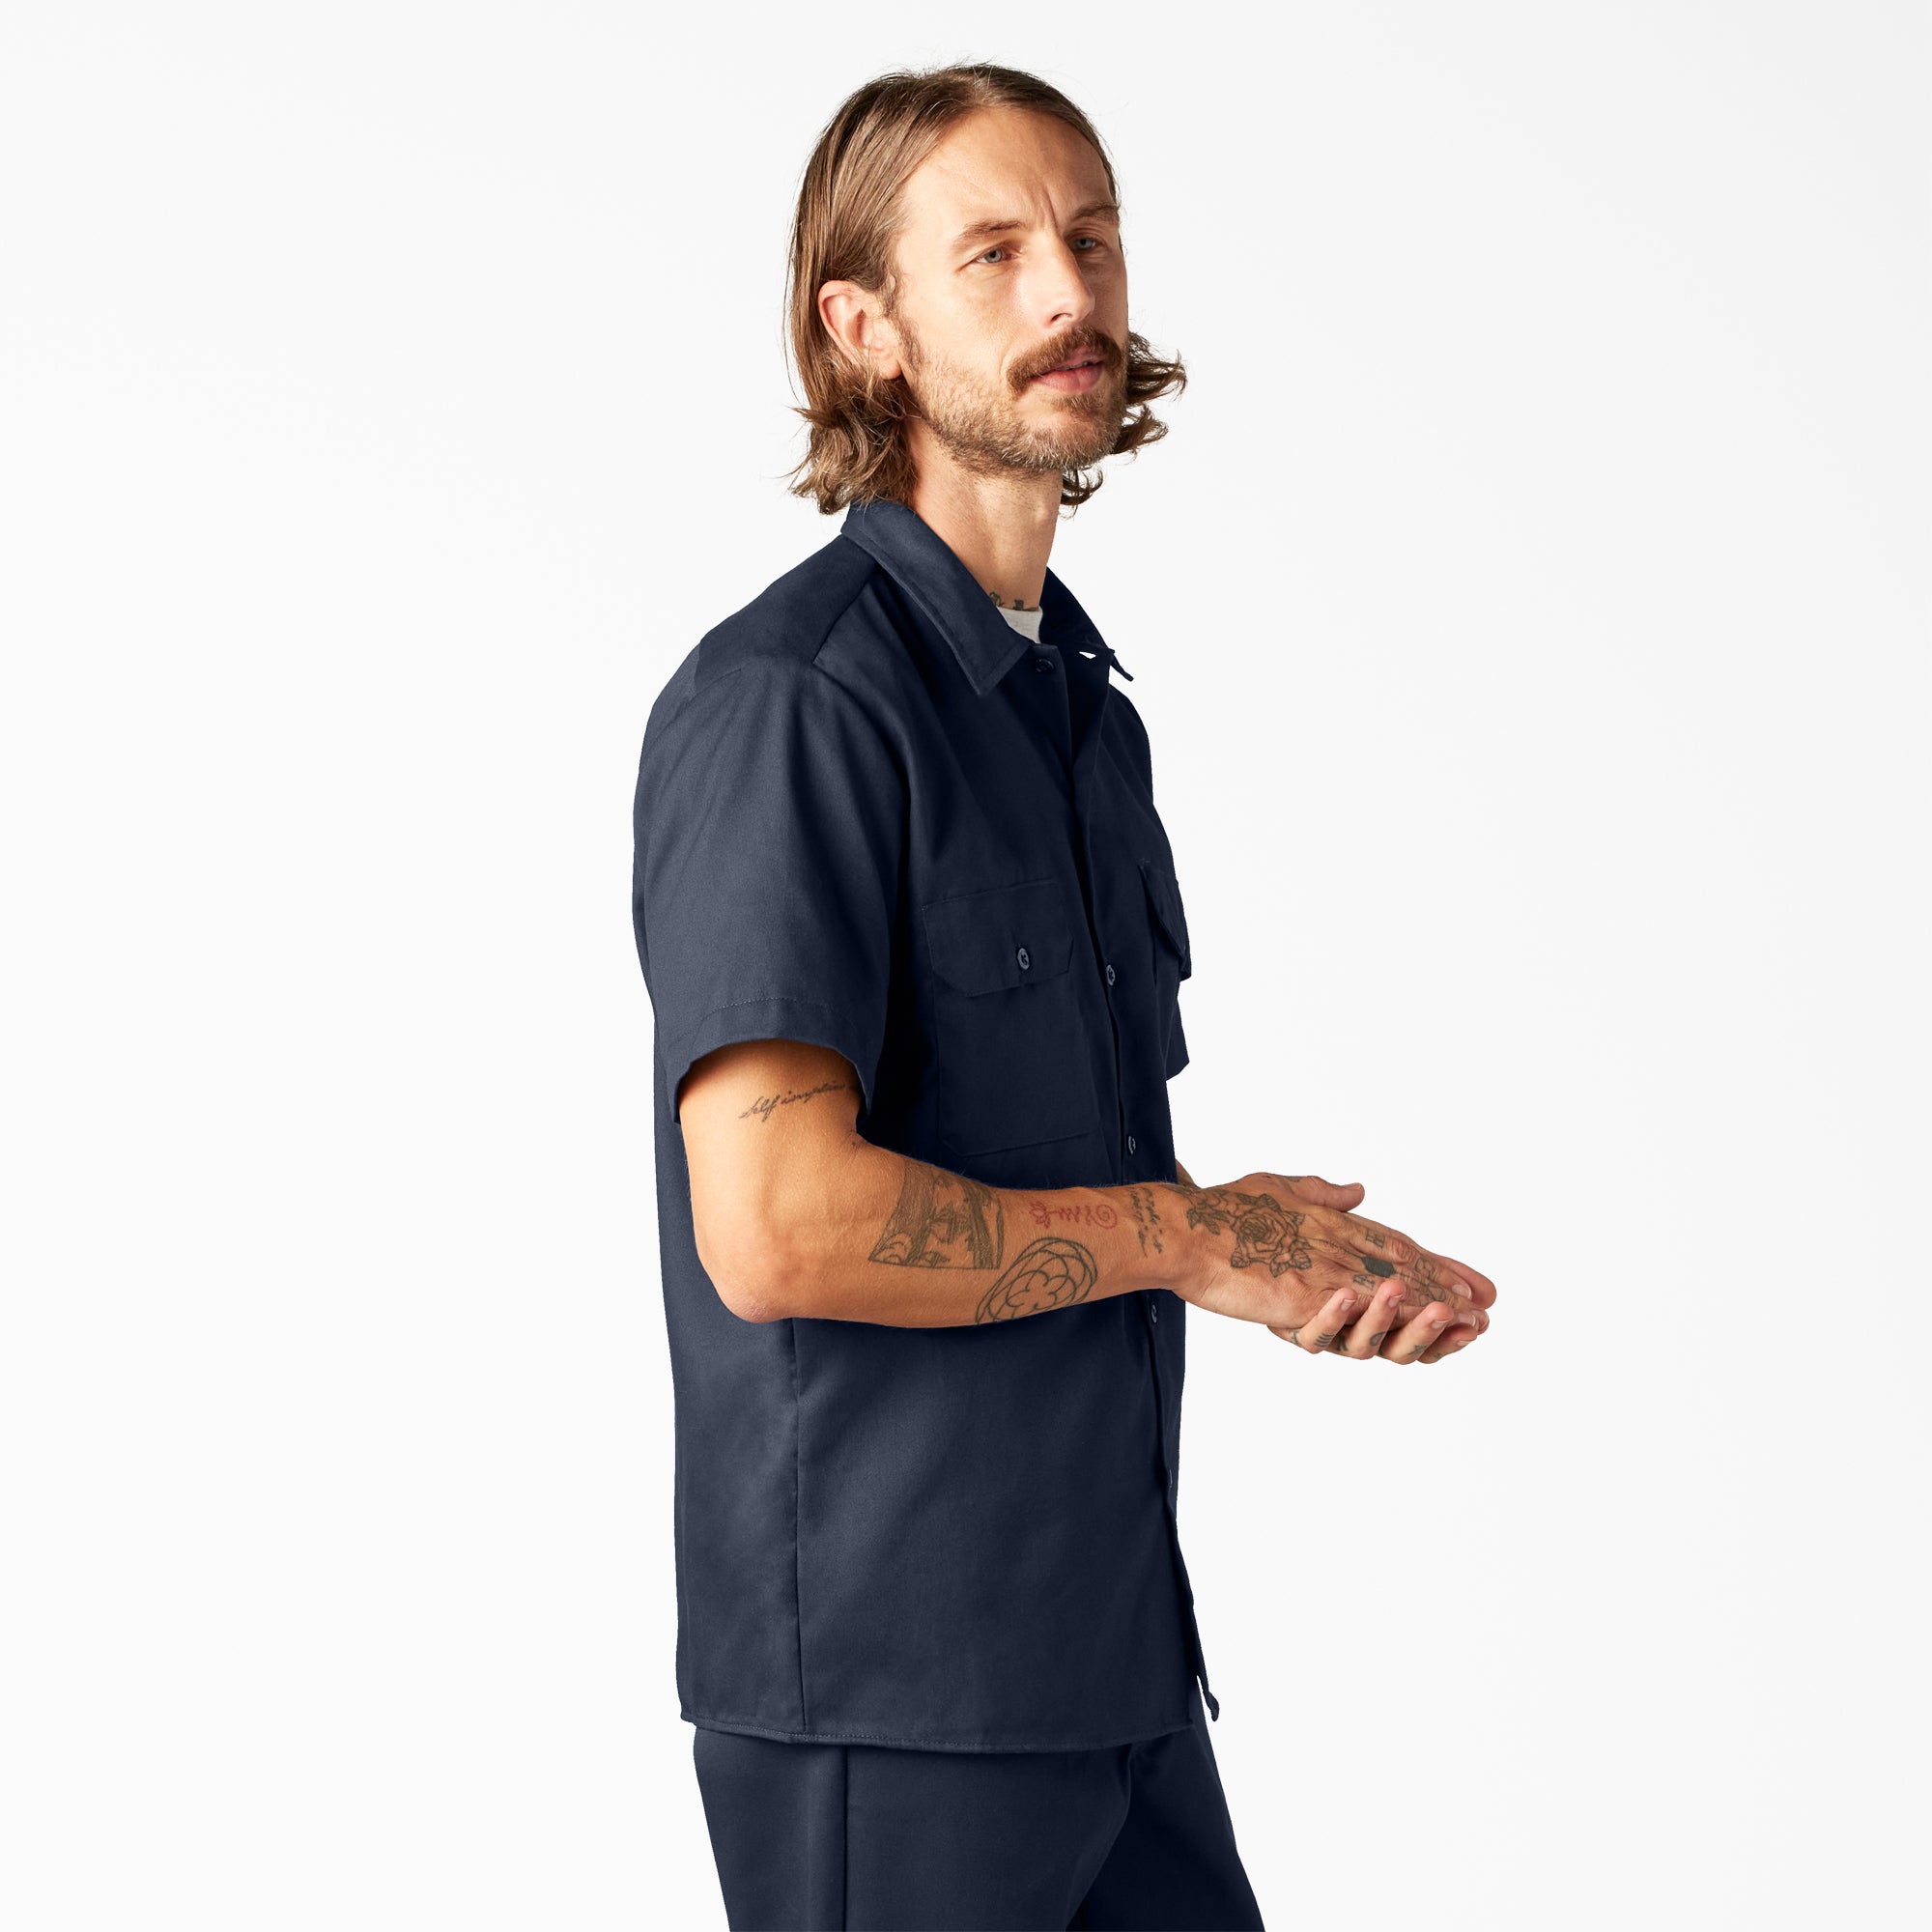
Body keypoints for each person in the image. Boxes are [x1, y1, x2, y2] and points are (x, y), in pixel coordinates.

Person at [629, 61, 1497, 1932]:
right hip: (897, 1707)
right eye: (995, 252)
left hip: (1111, 1670)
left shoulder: (1077, 715)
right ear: (860, 329)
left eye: (1091, 240)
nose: (1068, 294)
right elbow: (775, 1227)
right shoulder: (794, 707)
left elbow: (1052, 1176)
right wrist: (1188, 1237)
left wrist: (1254, 1240)